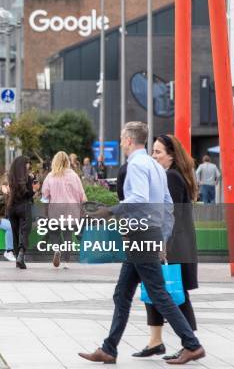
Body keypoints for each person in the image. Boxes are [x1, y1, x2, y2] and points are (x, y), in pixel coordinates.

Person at [79, 122, 205, 365]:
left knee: (157, 293)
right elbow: (168, 206)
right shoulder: (154, 166)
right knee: (122, 293)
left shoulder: (137, 165)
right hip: (150, 234)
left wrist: (109, 211)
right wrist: (163, 238)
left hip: (140, 235)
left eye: (121, 138)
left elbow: (137, 198)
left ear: (128, 140)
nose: (121, 141)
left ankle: (192, 344)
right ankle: (109, 348)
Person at [130, 134, 200, 360]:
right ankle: (156, 341)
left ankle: (190, 344)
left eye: (158, 152)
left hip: (173, 244)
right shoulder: (171, 175)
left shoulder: (171, 177)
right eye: (153, 151)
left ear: (171, 155)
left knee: (176, 293)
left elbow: (168, 215)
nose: (153, 156)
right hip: (175, 242)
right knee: (157, 288)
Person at [41, 151, 86, 268]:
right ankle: (66, 262)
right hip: (71, 210)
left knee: (54, 232)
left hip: (55, 209)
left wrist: (45, 211)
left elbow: (45, 196)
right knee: (67, 236)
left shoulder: (50, 176)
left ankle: (57, 249)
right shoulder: (74, 176)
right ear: (68, 162)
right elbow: (82, 195)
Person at [7, 156, 35, 270]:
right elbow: (27, 195)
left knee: (15, 233)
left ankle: (18, 258)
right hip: (24, 207)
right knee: (24, 231)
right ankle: (21, 255)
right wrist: (34, 189)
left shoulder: (11, 177)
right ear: (24, 165)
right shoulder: (27, 178)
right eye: (28, 163)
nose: (29, 165)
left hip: (12, 207)